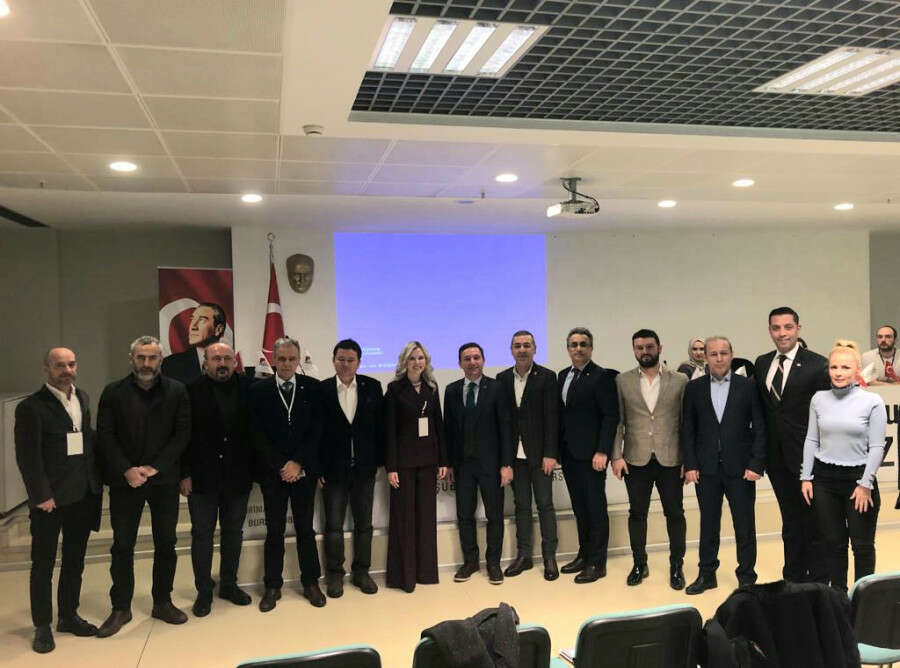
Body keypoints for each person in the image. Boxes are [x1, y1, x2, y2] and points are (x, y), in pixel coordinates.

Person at [96, 336, 191, 637]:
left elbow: (182, 434)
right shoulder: (113, 392)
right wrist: (127, 469)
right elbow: (105, 436)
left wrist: (155, 467)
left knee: (166, 543)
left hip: (163, 480)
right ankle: (121, 607)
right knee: (123, 545)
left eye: (152, 358)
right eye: (141, 357)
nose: (146, 364)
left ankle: (162, 602)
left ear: (161, 360)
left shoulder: (177, 391)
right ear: (132, 359)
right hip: (126, 481)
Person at [14, 348, 102, 653]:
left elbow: (85, 439)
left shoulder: (83, 397)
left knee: (75, 560)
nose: (66, 370)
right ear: (46, 369)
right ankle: (42, 626)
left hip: (82, 494)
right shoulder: (30, 407)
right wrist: (41, 495)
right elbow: (27, 457)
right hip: (49, 500)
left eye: (71, 364)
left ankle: (68, 615)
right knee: (43, 564)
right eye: (59, 365)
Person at [682, 336, 766, 594]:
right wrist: (690, 464)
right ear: (705, 357)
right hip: (706, 469)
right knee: (708, 524)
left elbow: (760, 427)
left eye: (723, 353)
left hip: (741, 469)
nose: (719, 358)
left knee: (744, 525)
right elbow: (688, 429)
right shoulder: (694, 388)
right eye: (713, 354)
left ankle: (747, 576)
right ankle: (707, 574)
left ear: (731, 354)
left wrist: (756, 463)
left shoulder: (748, 387)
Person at [801, 341, 886, 592]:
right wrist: (806, 476)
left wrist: (865, 484)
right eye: (834, 367)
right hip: (824, 480)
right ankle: (838, 598)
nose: (838, 373)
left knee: (862, 546)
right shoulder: (818, 399)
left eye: (845, 367)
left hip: (859, 480)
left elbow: (877, 447)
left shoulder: (872, 401)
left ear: (857, 369)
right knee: (833, 544)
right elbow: (812, 439)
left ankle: (863, 599)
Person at [754, 306, 830, 583]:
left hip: (808, 458)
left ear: (798, 328)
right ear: (770, 331)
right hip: (776, 459)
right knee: (790, 520)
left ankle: (818, 580)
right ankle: (793, 578)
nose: (782, 333)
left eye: (788, 327)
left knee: (813, 520)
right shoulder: (762, 363)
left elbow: (825, 415)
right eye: (776, 328)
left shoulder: (817, 364)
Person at [249, 336, 325, 610]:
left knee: (305, 529)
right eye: (281, 359)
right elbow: (256, 434)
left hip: (303, 472)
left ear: (298, 360)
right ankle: (272, 585)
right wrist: (282, 465)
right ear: (273, 359)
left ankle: (311, 582)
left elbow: (317, 431)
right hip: (274, 473)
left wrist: (298, 463)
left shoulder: (313, 388)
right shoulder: (258, 390)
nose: (286, 364)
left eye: (292, 359)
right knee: (275, 530)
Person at [180, 342, 254, 617]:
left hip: (238, 475)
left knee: (233, 532)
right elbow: (182, 435)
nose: (221, 363)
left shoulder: (249, 388)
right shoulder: (190, 391)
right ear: (205, 363)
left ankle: (229, 584)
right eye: (216, 359)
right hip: (202, 477)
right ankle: (203, 590)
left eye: (226, 358)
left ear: (234, 362)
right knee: (202, 535)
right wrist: (184, 473)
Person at [611, 329, 688, 590]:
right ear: (634, 350)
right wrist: (616, 456)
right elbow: (618, 421)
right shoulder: (622, 381)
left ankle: (676, 566)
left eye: (649, 347)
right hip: (635, 459)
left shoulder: (680, 380)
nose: (645, 352)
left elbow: (686, 423)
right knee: (637, 514)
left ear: (659, 348)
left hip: (671, 459)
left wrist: (688, 460)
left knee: (675, 514)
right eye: (640, 347)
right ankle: (639, 564)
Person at [444, 342, 514, 585]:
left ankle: (493, 563)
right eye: (467, 358)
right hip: (463, 466)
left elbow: (506, 428)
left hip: (491, 465)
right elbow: (448, 430)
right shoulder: (452, 390)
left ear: (483, 360)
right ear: (460, 363)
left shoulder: (496, 388)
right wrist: (448, 463)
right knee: (465, 515)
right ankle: (470, 562)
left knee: (494, 515)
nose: (472, 362)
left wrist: (506, 464)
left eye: (476, 357)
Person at [320, 339, 384, 598]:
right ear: (333, 360)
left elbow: (379, 428)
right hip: (333, 471)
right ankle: (335, 574)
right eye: (341, 359)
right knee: (333, 526)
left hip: (364, 470)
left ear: (359, 362)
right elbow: (316, 433)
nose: (345, 364)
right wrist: (318, 468)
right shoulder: (322, 389)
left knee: (364, 524)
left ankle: (362, 572)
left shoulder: (372, 387)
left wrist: (378, 462)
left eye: (350, 360)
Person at [496, 330, 560, 581]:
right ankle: (524, 556)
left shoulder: (547, 377)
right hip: (515, 458)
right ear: (511, 350)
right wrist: (505, 461)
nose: (522, 350)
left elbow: (553, 418)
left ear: (534, 349)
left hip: (541, 456)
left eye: (526, 345)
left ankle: (549, 556)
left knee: (545, 505)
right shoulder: (502, 379)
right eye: (517, 346)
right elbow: (502, 423)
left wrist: (550, 453)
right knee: (521, 506)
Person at [384, 341, 447, 592]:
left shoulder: (432, 388)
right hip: (403, 464)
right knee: (405, 520)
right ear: (404, 362)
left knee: (426, 519)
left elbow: (438, 425)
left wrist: (443, 460)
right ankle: (405, 577)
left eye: (420, 358)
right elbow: (389, 430)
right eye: (412, 358)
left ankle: (426, 573)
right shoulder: (394, 389)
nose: (417, 362)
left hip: (428, 462)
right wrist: (391, 467)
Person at [557, 327, 619, 583]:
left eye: (583, 344)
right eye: (574, 344)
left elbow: (610, 416)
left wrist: (603, 450)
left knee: (595, 508)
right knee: (580, 508)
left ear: (591, 348)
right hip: (569, 454)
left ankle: (597, 562)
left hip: (593, 455)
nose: (578, 348)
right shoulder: (563, 375)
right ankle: (584, 555)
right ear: (568, 348)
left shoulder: (602, 376)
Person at [161, 302, 227, 385]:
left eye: (202, 320)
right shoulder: (171, 364)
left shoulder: (230, 363)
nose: (193, 326)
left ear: (218, 329)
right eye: (192, 319)